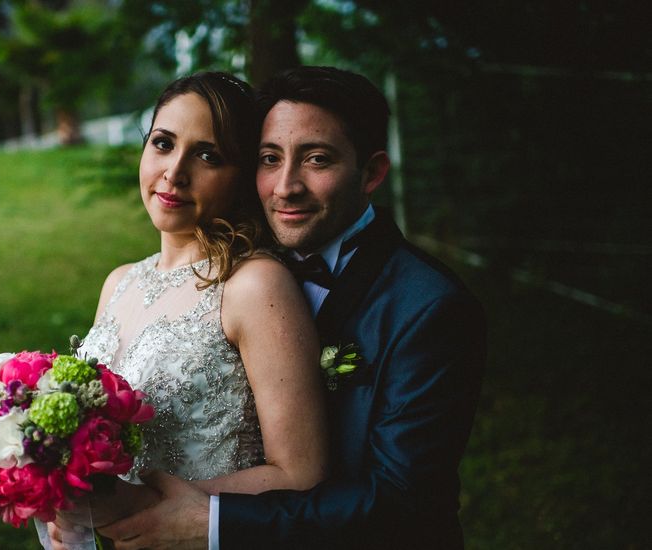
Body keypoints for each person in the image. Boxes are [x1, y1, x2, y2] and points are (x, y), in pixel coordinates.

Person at [97, 66, 487, 549]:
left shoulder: (429, 307)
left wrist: (209, 521)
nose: (285, 186)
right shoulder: (234, 266)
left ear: (372, 172)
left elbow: (402, 500)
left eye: (317, 160)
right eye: (269, 158)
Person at [46, 72, 329, 546]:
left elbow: (302, 473)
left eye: (207, 155)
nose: (174, 173)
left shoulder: (254, 285)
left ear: (240, 178)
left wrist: (146, 509)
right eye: (162, 143)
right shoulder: (119, 282)